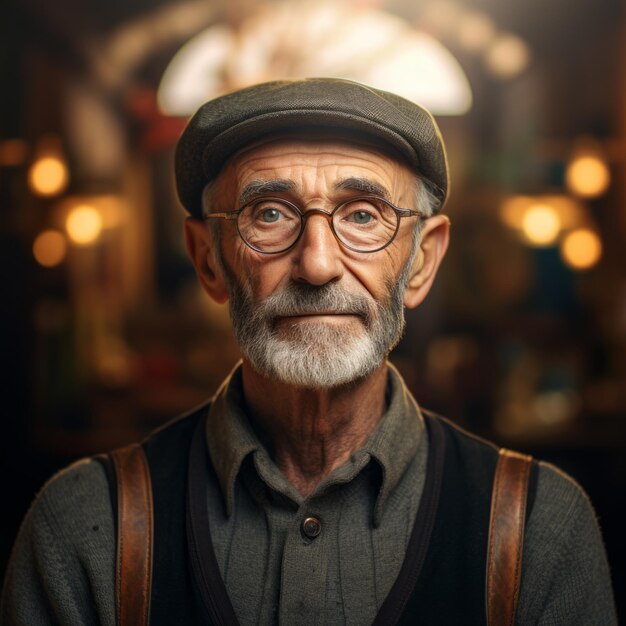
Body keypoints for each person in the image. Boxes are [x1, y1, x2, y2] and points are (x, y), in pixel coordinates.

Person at [1, 78, 617, 625]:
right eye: (268, 213)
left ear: (422, 261)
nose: (318, 264)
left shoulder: (538, 530)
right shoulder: (85, 528)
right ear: (208, 259)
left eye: (362, 214)